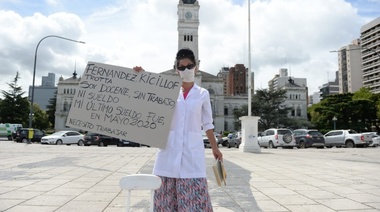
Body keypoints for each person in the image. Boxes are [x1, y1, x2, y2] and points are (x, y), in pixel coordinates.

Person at [134, 48, 222, 211]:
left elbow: (208, 124)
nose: (186, 70)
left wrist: (215, 148)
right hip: (169, 151)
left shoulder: (202, 94)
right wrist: (142, 76)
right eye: (181, 67)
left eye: (189, 66)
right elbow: (150, 96)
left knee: (194, 203)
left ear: (196, 67)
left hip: (192, 153)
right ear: (176, 70)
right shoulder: (168, 92)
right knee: (166, 203)